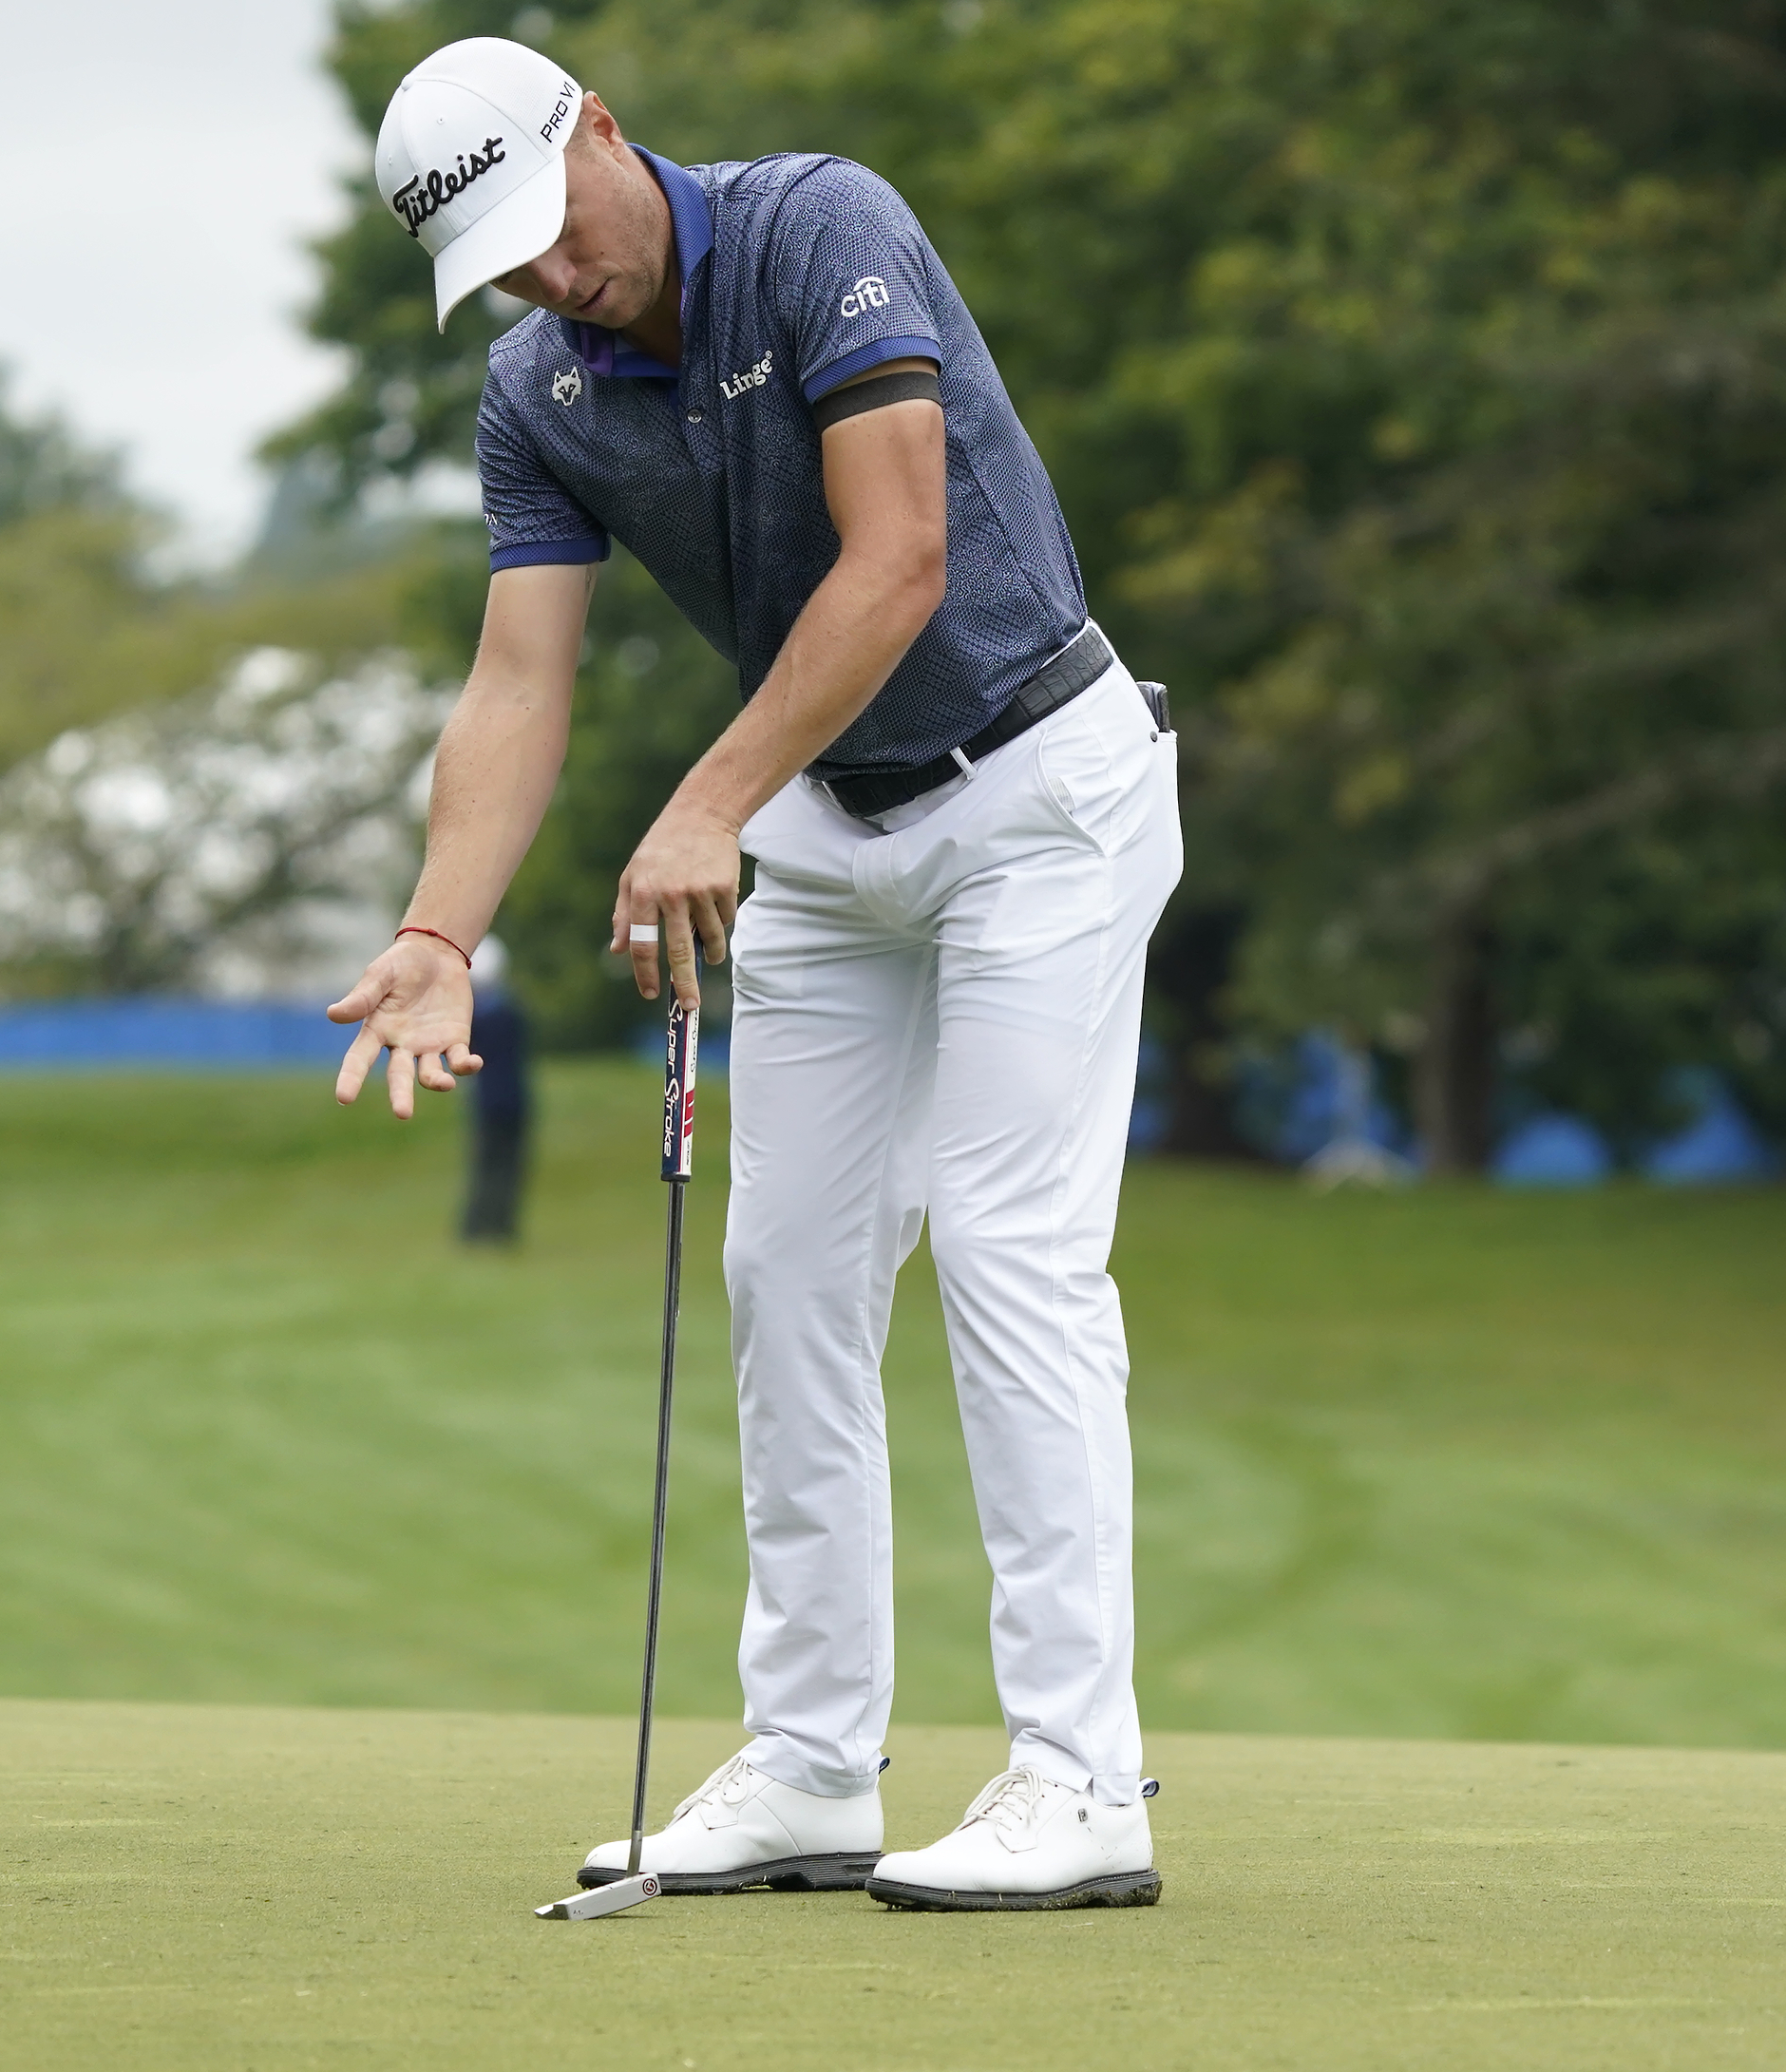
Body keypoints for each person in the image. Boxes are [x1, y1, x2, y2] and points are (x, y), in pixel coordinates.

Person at [326, 37, 1177, 1911]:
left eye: (549, 228)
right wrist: (434, 932)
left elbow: (897, 561)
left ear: (602, 134)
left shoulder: (819, 231)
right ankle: (806, 1764)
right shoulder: (537, 390)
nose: (552, 278)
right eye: (505, 266)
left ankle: (1082, 1777)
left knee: (1012, 1244)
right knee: (783, 1273)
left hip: (1041, 784)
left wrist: (706, 801)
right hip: (827, 822)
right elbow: (517, 682)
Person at [459, 935, 531, 1244]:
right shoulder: (508, 1012)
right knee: (501, 1166)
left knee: (489, 1165)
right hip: (510, 1099)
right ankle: (493, 1227)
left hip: (489, 1100)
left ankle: (482, 1227)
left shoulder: (481, 1017)